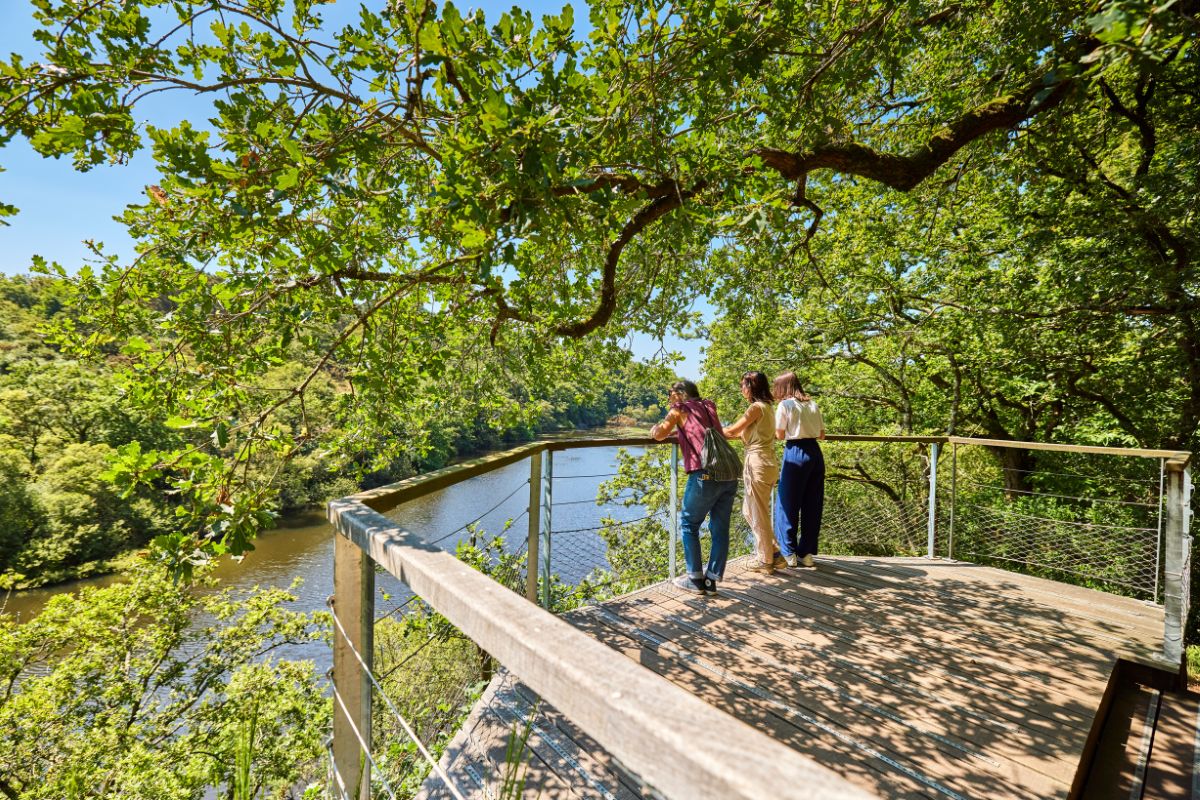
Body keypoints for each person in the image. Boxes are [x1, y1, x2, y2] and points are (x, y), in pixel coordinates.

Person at [650, 379, 737, 593]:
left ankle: (695, 579)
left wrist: (655, 429)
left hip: (704, 474)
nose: (669, 399)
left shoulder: (679, 409)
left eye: (670, 394)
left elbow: (660, 434)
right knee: (720, 529)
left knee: (689, 524)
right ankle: (711, 580)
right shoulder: (709, 405)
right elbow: (699, 431)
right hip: (728, 474)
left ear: (680, 394)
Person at [722, 372, 781, 574]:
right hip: (766, 463)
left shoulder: (756, 408)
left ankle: (765, 561)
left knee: (758, 512)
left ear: (752, 386)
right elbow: (742, 431)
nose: (741, 390)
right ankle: (774, 553)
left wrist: (706, 431)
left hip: (758, 464)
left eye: (743, 386)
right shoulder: (768, 408)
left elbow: (731, 430)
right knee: (750, 511)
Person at [772, 372, 825, 568]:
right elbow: (821, 434)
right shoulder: (812, 404)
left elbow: (779, 434)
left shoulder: (785, 405)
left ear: (783, 388)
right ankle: (807, 553)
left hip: (795, 452)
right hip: (815, 454)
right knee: (813, 504)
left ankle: (788, 553)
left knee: (787, 503)